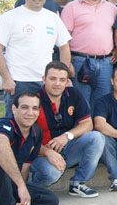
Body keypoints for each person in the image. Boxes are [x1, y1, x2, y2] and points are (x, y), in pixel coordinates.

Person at [0, 0, 72, 117]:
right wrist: (6, 78)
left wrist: (62, 77)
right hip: (19, 82)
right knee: (17, 125)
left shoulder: (52, 18)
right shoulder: (9, 17)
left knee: (47, 123)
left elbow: (64, 47)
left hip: (47, 82)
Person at [29, 61, 105, 197]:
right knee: (52, 173)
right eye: (52, 79)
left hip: (67, 148)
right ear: (43, 79)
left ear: (67, 82)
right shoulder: (33, 102)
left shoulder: (73, 94)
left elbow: (87, 124)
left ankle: (78, 183)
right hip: (40, 153)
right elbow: (25, 141)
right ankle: (33, 189)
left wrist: (67, 136)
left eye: (62, 80)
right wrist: (47, 152)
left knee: (96, 137)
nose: (57, 83)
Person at [61, 0, 117, 111]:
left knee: (102, 102)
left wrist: (116, 49)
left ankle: (98, 132)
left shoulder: (111, 8)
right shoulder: (71, 7)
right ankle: (84, 132)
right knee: (81, 102)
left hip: (105, 63)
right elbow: (63, 39)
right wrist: (67, 63)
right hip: (81, 62)